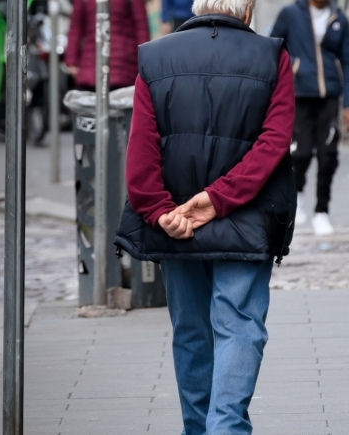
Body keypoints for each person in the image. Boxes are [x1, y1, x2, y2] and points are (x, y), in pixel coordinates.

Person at [113, 0, 296, 432]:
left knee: (191, 331)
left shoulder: (155, 57)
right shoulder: (272, 56)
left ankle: (198, 428)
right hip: (247, 219)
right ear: (247, 9)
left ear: (198, 5)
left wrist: (159, 212)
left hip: (177, 220)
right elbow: (274, 143)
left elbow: (139, 152)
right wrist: (219, 199)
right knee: (239, 326)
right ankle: (226, 427)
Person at [271, 0, 349, 236]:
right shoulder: (289, 14)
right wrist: (287, 75)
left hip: (329, 95)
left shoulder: (339, 18)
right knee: (300, 152)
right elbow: (272, 48)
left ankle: (322, 211)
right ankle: (297, 195)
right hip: (299, 95)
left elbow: (348, 62)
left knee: (328, 154)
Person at [66, 0, 150, 91]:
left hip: (123, 65)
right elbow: (76, 27)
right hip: (91, 64)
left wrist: (144, 61)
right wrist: (72, 60)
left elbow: (141, 28)